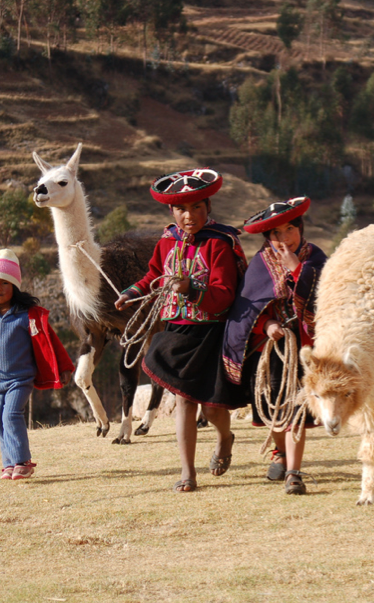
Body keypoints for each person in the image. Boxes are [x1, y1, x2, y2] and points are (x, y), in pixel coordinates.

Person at [114, 168, 247, 493]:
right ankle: (188, 474)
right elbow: (154, 274)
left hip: (212, 333)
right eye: (182, 209)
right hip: (177, 332)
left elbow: (224, 294)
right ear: (172, 211)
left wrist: (190, 289)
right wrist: (131, 292)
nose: (190, 216)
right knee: (185, 401)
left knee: (213, 407)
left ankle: (224, 437)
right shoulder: (166, 241)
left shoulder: (219, 244)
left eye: (197, 207)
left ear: (208, 207)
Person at [222, 197, 327, 495]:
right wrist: (267, 324)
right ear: (268, 237)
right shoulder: (261, 263)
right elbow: (248, 305)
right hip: (269, 350)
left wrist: (297, 270)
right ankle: (279, 452)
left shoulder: (316, 259)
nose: (284, 239)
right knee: (276, 406)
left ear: (301, 228)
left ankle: (294, 471)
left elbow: (327, 300)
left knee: (295, 408)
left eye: (290, 229)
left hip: (304, 349)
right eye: (276, 234)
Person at [0, 249, 75, 480]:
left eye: (4, 283)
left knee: (11, 415)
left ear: (15, 286)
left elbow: (49, 341)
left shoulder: (27, 316)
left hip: (20, 378)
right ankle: (8, 464)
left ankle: (23, 462)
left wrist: (64, 367)